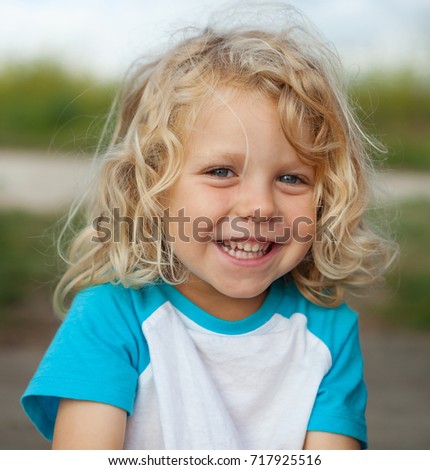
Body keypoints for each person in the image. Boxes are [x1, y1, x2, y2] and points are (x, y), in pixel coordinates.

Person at [21, 4, 396, 450]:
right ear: (153, 190)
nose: (259, 206)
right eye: (221, 171)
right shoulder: (111, 320)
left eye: (292, 178)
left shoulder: (327, 333)